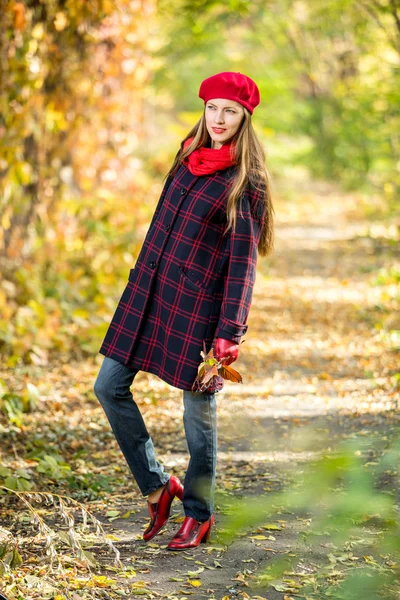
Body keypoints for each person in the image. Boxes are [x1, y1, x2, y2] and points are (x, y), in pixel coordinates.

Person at [93, 71, 274, 550]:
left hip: (200, 309)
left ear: (245, 118)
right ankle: (158, 487)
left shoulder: (245, 181)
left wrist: (230, 330)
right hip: (150, 296)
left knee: (199, 414)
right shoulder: (185, 157)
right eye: (213, 108)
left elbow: (243, 264)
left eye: (230, 111)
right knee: (108, 386)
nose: (219, 119)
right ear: (204, 109)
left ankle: (199, 512)